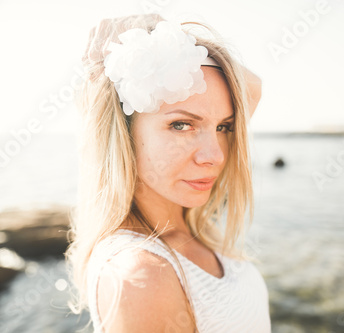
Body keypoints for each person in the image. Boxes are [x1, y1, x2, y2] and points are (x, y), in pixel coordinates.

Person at [65, 14, 270, 333]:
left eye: (223, 127)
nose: (215, 156)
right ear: (124, 133)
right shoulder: (142, 275)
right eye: (181, 124)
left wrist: (163, 35)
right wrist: (151, 45)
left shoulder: (186, 226)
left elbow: (253, 87)